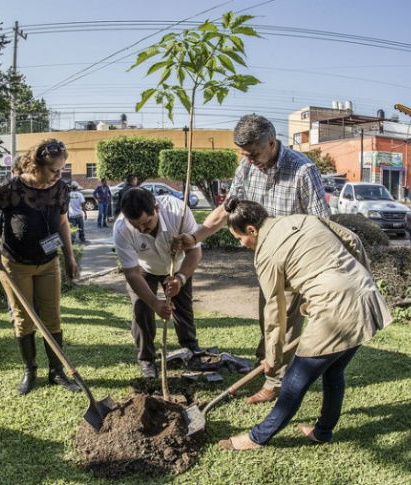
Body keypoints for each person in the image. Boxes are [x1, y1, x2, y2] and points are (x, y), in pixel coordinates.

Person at [174, 114, 330, 405]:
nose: (249, 160)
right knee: (267, 318)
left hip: (295, 262)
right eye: (244, 154)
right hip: (265, 259)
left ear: (271, 142)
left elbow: (322, 223)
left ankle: (276, 381)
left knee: (282, 322)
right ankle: (267, 361)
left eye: (254, 153)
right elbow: (226, 208)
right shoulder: (247, 167)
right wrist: (195, 237)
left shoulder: (302, 170)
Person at [216, 198, 392, 450]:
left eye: (239, 238)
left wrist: (273, 358)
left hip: (335, 310)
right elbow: (353, 240)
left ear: (252, 230)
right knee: (334, 371)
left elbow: (274, 311)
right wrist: (356, 282)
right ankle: (322, 432)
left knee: (293, 381)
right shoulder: (304, 219)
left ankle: (257, 437)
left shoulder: (265, 255)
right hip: (366, 297)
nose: (241, 244)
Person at [0, 138, 81, 396]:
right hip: (15, 264)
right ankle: (29, 371)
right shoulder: (12, 188)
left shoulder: (61, 189)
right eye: (54, 170)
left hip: (48, 262)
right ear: (37, 165)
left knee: (52, 316)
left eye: (62, 170)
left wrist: (69, 256)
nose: (58, 175)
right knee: (24, 320)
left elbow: (63, 222)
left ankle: (56, 372)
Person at [113, 187, 203, 378]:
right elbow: (131, 272)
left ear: (156, 208)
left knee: (183, 307)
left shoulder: (177, 213)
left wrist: (181, 278)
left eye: (146, 223)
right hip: (144, 270)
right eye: (136, 226)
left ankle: (191, 349)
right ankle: (146, 359)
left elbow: (195, 251)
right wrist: (155, 303)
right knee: (141, 310)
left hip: (177, 267)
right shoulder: (121, 228)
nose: (142, 230)